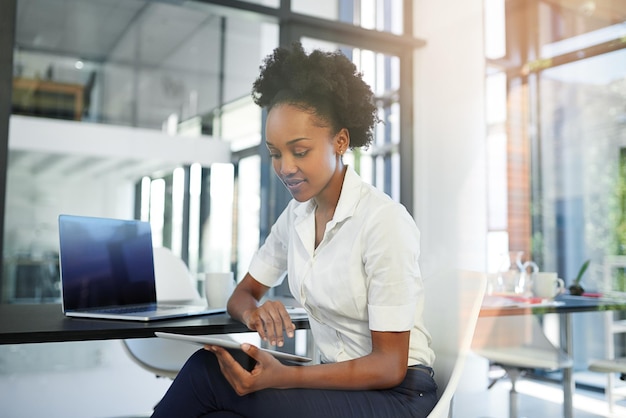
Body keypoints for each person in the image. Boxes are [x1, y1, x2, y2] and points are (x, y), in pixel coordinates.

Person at [151, 42, 437, 418]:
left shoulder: (383, 222)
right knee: (214, 381)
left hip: (398, 396)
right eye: (274, 153)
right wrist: (255, 314)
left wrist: (285, 377)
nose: (285, 168)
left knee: (208, 379)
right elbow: (242, 294)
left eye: (299, 151)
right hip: (334, 381)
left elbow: (388, 366)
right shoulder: (297, 215)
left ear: (341, 142)